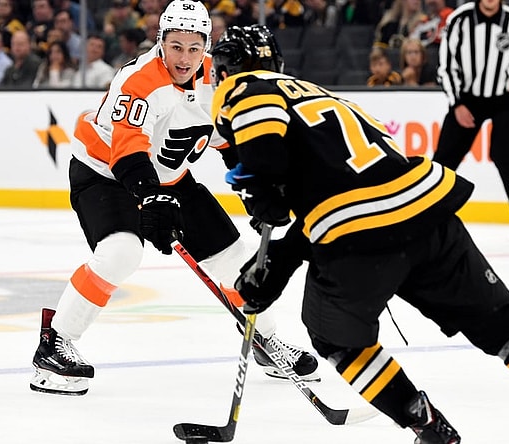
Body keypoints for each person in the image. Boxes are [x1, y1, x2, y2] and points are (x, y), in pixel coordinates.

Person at [209, 24, 509, 444]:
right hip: (426, 210)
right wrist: (282, 257)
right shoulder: (326, 96)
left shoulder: (246, 87)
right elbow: (352, 187)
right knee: (503, 325)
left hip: (358, 237)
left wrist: (266, 189)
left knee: (338, 339)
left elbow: (269, 142)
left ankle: (431, 429)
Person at [29, 0, 319, 397]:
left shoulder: (217, 79)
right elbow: (128, 152)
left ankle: (265, 340)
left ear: (207, 46)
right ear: (161, 40)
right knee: (121, 252)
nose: (184, 57)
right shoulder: (139, 81)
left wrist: (257, 184)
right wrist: (149, 198)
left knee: (235, 258)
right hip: (105, 174)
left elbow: (229, 138)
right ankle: (55, 344)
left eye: (194, 47)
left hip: (170, 178)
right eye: (175, 46)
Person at [435, 0, 509, 246]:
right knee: (445, 159)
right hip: (467, 99)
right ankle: (427, 215)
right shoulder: (459, 21)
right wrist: (457, 104)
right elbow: (447, 67)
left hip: (504, 99)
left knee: (506, 155)